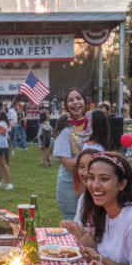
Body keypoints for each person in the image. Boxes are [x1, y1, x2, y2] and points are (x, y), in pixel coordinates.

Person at [63, 152, 132, 265]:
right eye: (91, 178)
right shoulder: (103, 211)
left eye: (104, 179)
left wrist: (98, 257)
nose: (95, 185)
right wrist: (90, 247)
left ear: (122, 184)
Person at [53, 87, 92, 218]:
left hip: (94, 185)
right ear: (66, 106)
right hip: (70, 187)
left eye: (78, 98)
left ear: (85, 102)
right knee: (72, 223)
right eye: (70, 100)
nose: (75, 102)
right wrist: (91, 161)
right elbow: (66, 162)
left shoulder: (94, 125)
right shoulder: (65, 129)